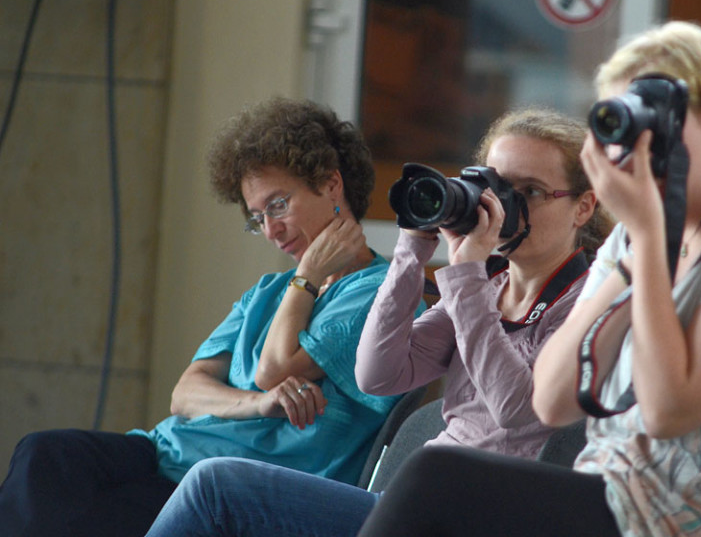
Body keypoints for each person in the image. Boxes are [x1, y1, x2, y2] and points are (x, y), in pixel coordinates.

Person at [356, 20, 701, 537]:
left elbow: (667, 410)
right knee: (432, 479)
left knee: (441, 478)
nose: (632, 143)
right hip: (618, 512)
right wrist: (639, 241)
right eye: (618, 122)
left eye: (652, 117)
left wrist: (649, 237)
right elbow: (552, 397)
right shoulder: (630, 240)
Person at [142, 107, 612, 537]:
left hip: (480, 517)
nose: (509, 207)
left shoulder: (589, 302)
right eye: (498, 189)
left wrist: (466, 274)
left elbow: (518, 413)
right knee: (211, 487)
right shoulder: (484, 288)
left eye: (529, 192)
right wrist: (412, 249)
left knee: (217, 487)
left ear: (584, 206)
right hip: (414, 504)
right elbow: (381, 374)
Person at [0, 97, 408, 537]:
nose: (270, 231)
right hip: (164, 452)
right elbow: (186, 394)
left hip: (229, 491)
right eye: (257, 218)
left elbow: (276, 369)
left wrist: (307, 277)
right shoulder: (268, 292)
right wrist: (256, 404)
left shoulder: (378, 291)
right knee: (41, 454)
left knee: (70, 517)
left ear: (331, 185)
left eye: (277, 205)